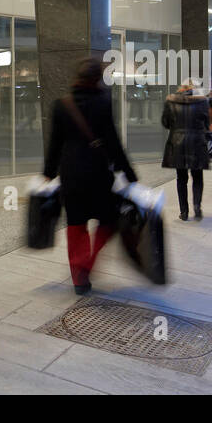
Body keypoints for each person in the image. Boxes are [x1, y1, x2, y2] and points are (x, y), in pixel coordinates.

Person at [44, 56, 138, 294]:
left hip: (71, 174)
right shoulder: (104, 101)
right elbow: (113, 141)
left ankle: (79, 280)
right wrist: (127, 172)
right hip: (98, 172)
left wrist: (48, 172)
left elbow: (54, 142)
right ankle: (88, 261)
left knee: (76, 225)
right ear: (98, 78)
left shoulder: (61, 104)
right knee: (108, 221)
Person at [162, 79, 210, 221]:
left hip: (177, 143)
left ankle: (184, 212)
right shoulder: (202, 102)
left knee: (181, 178)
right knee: (197, 177)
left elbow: (165, 123)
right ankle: (197, 207)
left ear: (181, 88)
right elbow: (207, 124)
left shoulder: (171, 102)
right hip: (196, 143)